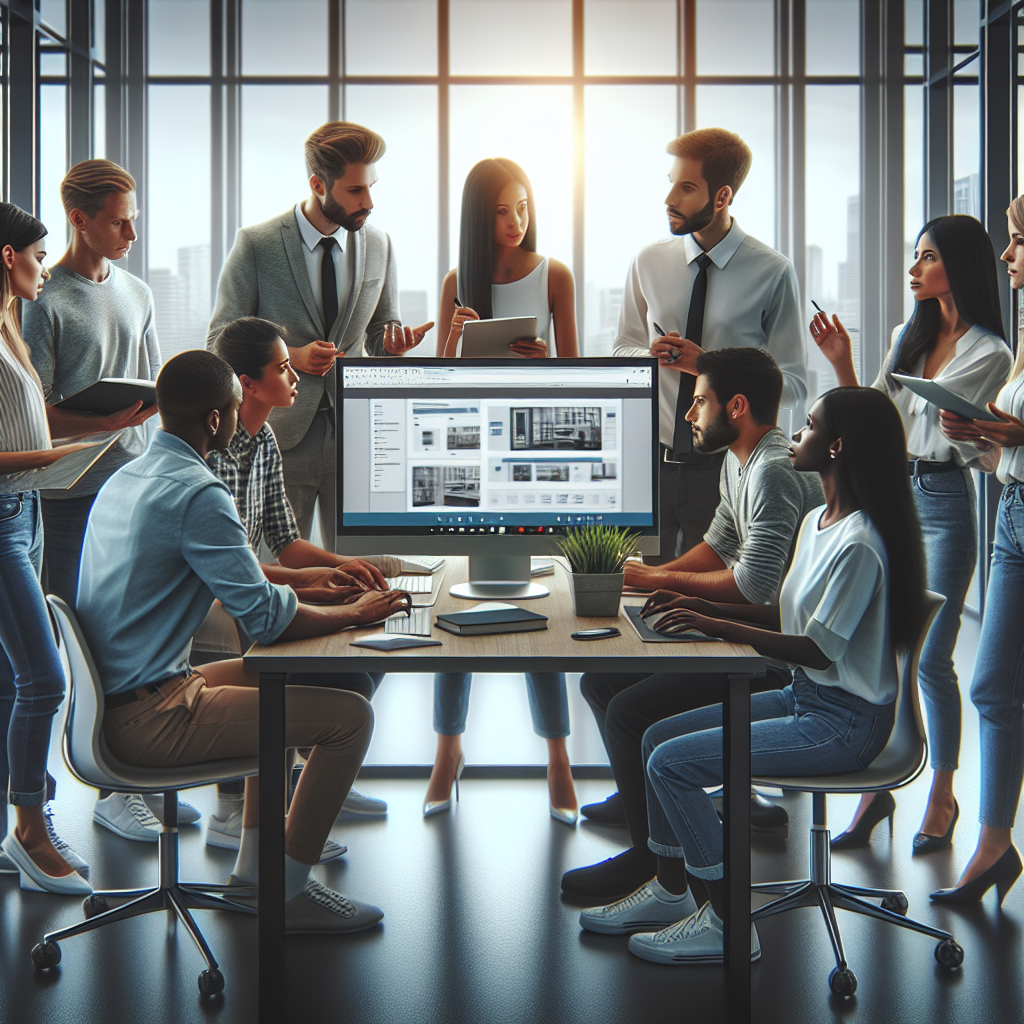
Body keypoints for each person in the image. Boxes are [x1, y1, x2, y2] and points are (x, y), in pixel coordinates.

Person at [578, 386, 926, 966]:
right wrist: (707, 614)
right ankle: (670, 892)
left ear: (837, 446)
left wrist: (714, 625)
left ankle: (728, 920)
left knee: (671, 763)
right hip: (805, 697)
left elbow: (814, 647)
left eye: (809, 427)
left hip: (845, 723)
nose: (796, 435)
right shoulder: (819, 519)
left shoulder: (862, 543)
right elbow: (789, 616)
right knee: (653, 738)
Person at [75, 349, 412, 933]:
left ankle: (256, 877)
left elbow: (251, 586)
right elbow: (263, 619)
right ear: (215, 420)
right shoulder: (199, 493)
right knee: (350, 717)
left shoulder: (129, 474)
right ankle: (288, 894)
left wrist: (314, 589)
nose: (237, 416)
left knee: (280, 683)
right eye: (232, 406)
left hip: (120, 697)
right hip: (151, 716)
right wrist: (356, 611)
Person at [561, 347, 824, 902]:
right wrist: (650, 575)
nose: (688, 414)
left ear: (736, 406)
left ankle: (657, 867)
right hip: (748, 635)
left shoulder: (774, 471)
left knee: (631, 711)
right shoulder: (741, 459)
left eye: (698, 401)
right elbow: (719, 545)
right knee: (601, 682)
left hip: (775, 660)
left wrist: (661, 584)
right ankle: (655, 854)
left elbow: (753, 585)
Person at [810, 214, 1010, 854]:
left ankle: (944, 792)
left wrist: (969, 431)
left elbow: (971, 433)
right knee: (885, 647)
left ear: (958, 264)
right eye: (915, 257)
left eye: (926, 257)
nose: (914, 269)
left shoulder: (992, 351)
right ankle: (878, 791)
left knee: (932, 655)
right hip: (893, 493)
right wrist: (843, 364)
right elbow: (875, 420)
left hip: (945, 498)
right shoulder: (905, 335)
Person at [19, 159, 172, 842]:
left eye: (134, 217)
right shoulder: (43, 298)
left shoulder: (137, 292)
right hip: (64, 497)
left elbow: (157, 386)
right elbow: (34, 413)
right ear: (79, 218)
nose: (132, 231)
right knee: (61, 651)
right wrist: (101, 424)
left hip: (129, 489)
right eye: (119, 220)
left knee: (128, 638)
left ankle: (122, 784)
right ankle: (44, 802)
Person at [424, 158, 579, 823]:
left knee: (533, 603)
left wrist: (549, 366)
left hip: (534, 449)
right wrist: (455, 339)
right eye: (500, 210)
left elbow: (579, 377)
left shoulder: (557, 275)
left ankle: (559, 761)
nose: (514, 222)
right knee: (459, 598)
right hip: (471, 451)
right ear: (476, 216)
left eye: (522, 207)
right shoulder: (461, 280)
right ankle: (447, 751)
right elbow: (436, 387)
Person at [202, 315, 391, 849]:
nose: (297, 378)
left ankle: (308, 781)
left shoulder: (264, 441)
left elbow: (286, 540)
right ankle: (235, 808)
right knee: (311, 656)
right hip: (212, 600)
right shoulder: (216, 448)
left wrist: (340, 568)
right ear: (247, 384)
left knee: (361, 656)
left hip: (241, 583)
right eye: (284, 368)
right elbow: (230, 568)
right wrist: (316, 585)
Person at [207, 121, 433, 552]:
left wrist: (391, 345)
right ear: (318, 184)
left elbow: (379, 330)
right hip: (283, 437)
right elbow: (219, 340)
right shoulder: (257, 244)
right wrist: (292, 356)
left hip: (361, 434)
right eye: (355, 191)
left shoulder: (380, 245)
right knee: (281, 566)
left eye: (371, 187)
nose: (369, 202)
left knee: (364, 567)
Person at [614, 127, 807, 567]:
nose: (669, 200)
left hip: (723, 473)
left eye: (686, 188)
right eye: (670, 183)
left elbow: (793, 386)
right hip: (647, 466)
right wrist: (647, 358)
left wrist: (707, 366)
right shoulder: (648, 262)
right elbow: (621, 349)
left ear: (721, 197)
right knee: (630, 596)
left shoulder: (772, 272)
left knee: (703, 606)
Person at [0, 203, 106, 894]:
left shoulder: (9, 326)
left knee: (13, 680)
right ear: (9, 256)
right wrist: (55, 455)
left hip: (28, 510)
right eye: (37, 256)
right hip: (4, 517)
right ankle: (31, 831)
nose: (45, 267)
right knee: (47, 678)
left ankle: (20, 825)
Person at [929, 195, 1024, 907]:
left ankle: (989, 838)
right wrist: (989, 442)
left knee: (984, 681)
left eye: (1019, 241)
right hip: (1011, 511)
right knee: (991, 684)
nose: (1006, 253)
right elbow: (1008, 455)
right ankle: (995, 845)